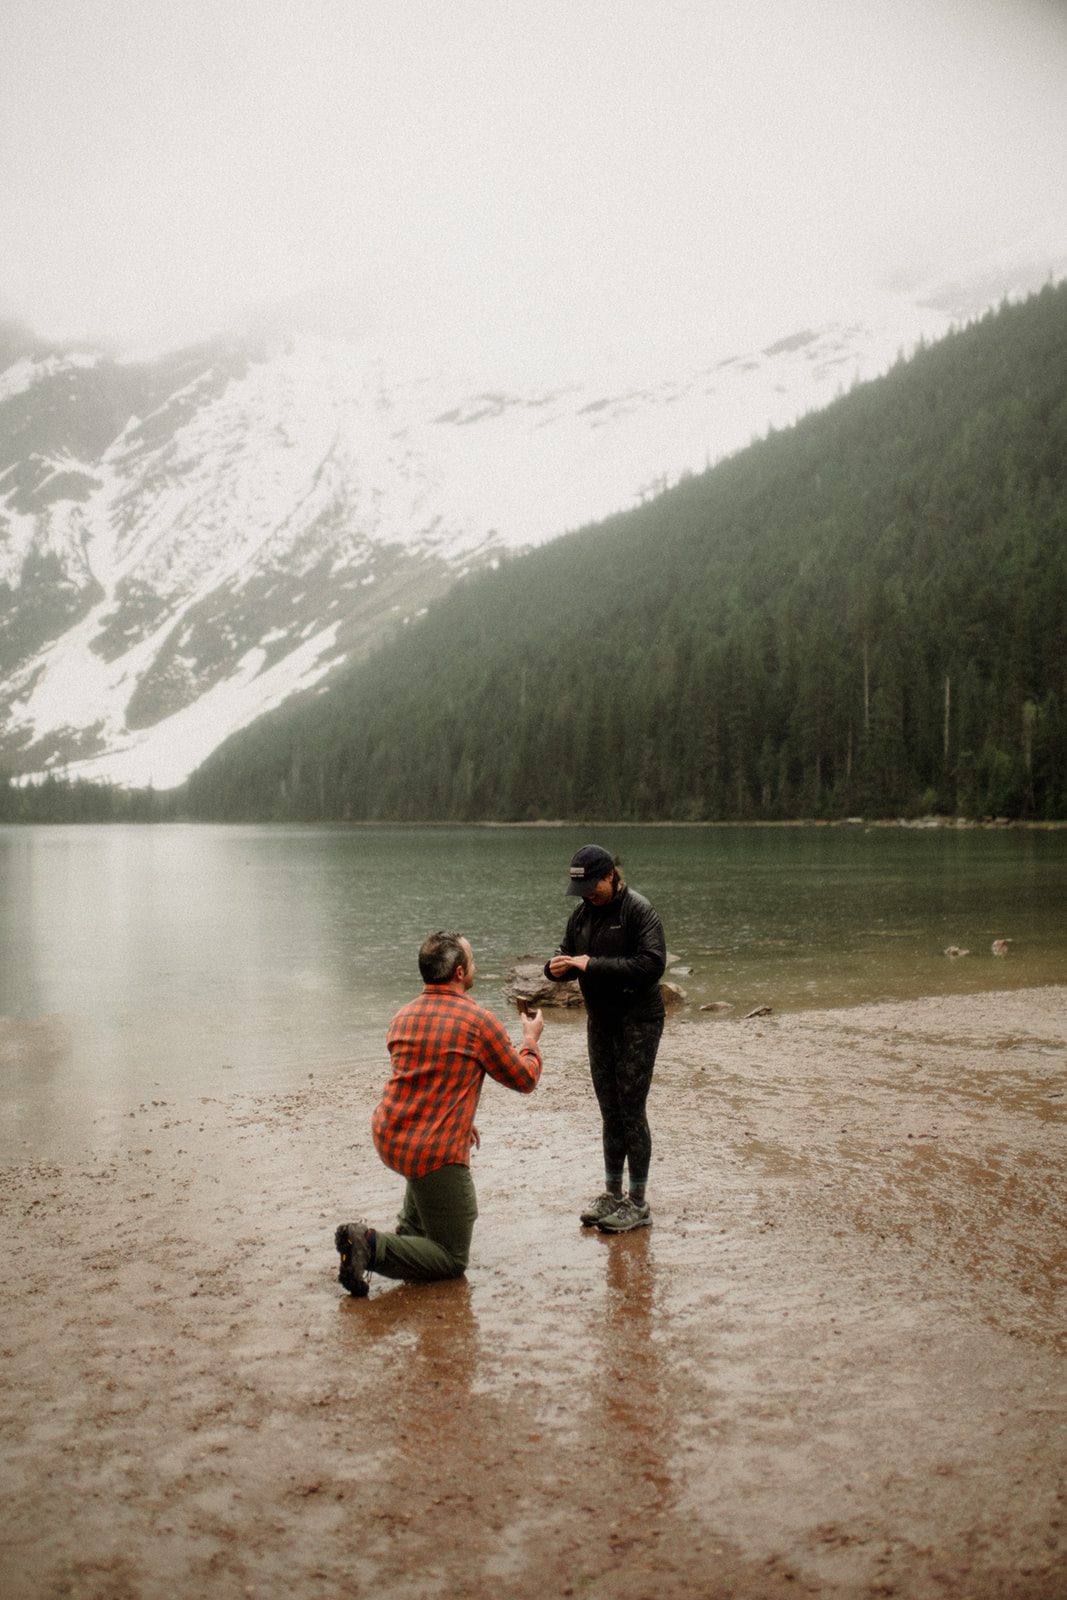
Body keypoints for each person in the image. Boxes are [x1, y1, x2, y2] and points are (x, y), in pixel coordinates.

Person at [336, 930, 543, 1296]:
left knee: (422, 1207)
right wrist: (530, 1039)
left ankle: (405, 1237)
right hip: (431, 1148)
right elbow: (524, 1079)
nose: (475, 967)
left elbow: (427, 1075)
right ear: (460, 973)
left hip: (390, 1135)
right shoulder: (478, 1021)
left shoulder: (403, 1016)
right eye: (473, 961)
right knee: (451, 1259)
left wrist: (463, 1118)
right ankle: (369, 1245)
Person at [544, 844, 666, 1233]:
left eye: (593, 887)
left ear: (611, 875)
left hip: (638, 1021)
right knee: (609, 1109)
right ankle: (612, 1194)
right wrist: (556, 968)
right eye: (580, 891)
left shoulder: (638, 910)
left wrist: (591, 964)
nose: (587, 897)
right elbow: (568, 954)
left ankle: (638, 1202)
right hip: (600, 1022)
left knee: (632, 1109)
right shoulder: (581, 914)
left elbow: (651, 965)